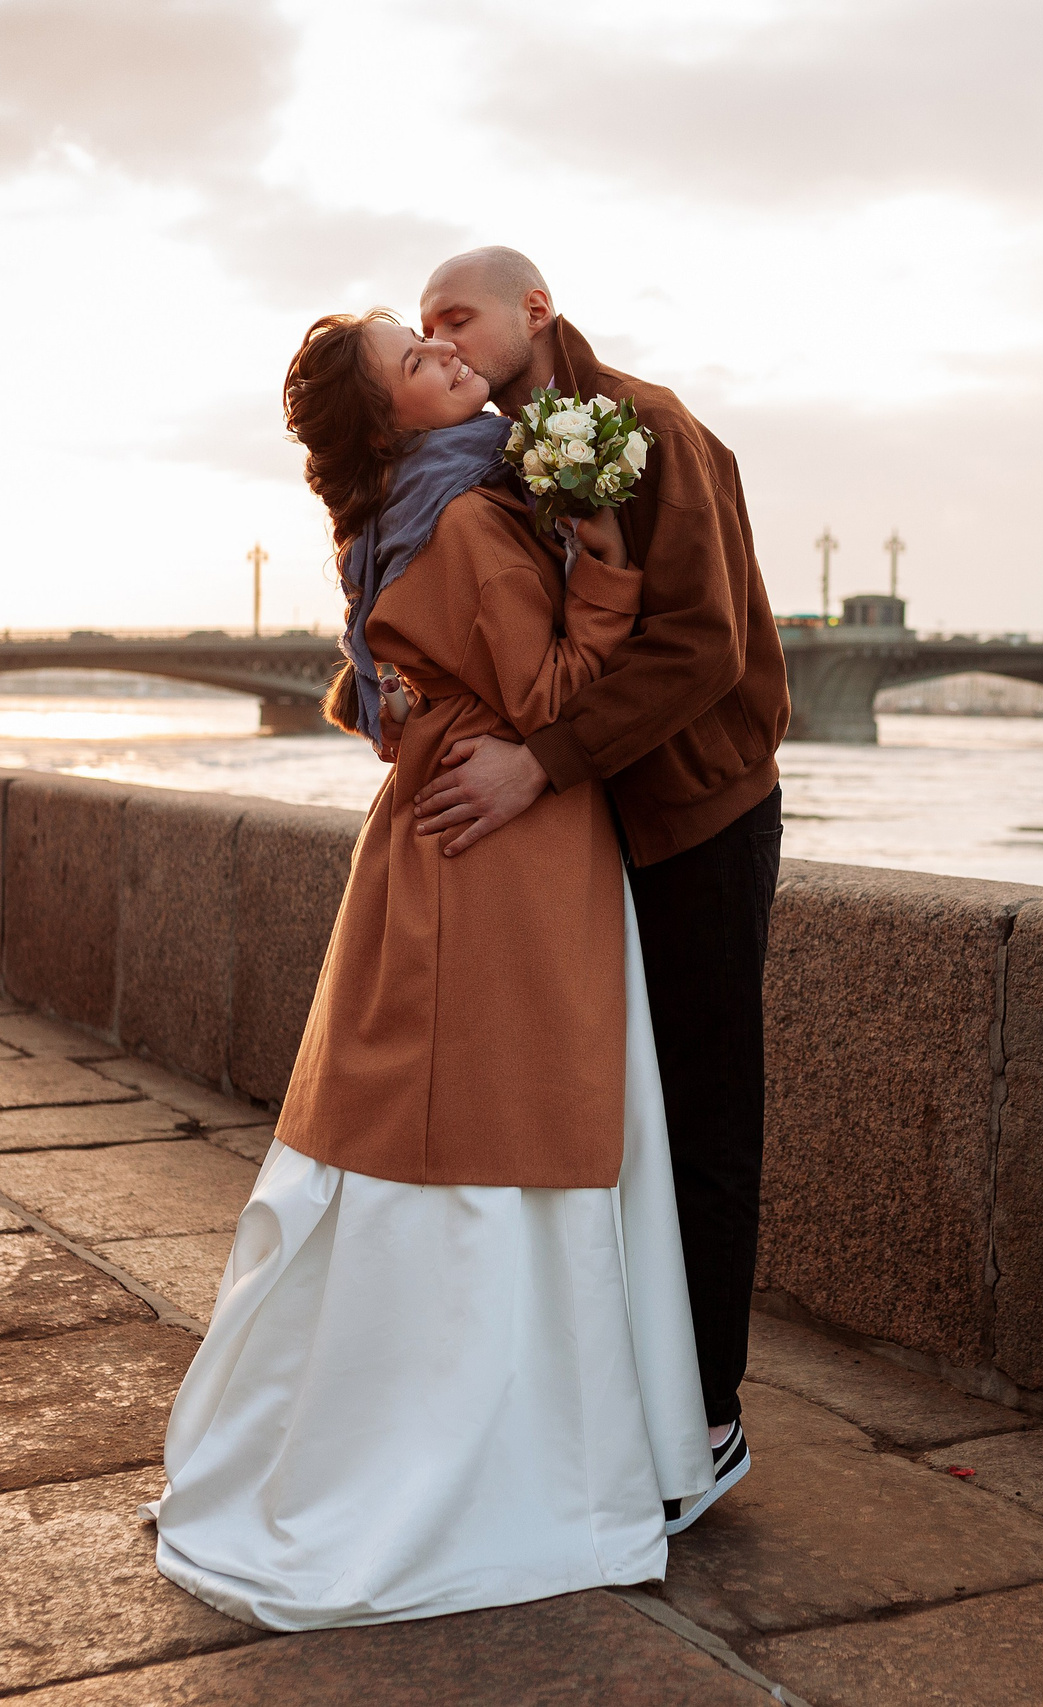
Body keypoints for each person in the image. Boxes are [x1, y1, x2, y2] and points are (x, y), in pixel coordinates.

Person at [144, 308, 712, 1630]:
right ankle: (497, 1471)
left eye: (443, 345)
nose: (454, 362)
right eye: (421, 361)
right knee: (506, 1132)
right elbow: (558, 690)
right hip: (510, 846)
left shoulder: (412, 514)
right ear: (399, 414)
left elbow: (405, 693)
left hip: (441, 835)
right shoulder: (467, 520)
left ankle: (391, 1435)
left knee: (422, 1140)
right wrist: (610, 555)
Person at [413, 248, 788, 1528]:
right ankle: (623, 1394)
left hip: (694, 816)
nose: (443, 340)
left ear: (537, 310)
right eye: (423, 331)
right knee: (610, 1120)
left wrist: (538, 766)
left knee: (701, 1111)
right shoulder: (498, 455)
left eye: (457, 315)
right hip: (585, 834)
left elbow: (703, 646)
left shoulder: (653, 428)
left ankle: (712, 1417)